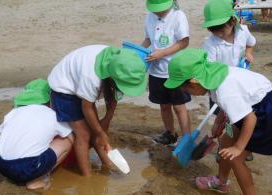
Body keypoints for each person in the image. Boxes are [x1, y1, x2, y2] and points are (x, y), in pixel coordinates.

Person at [164, 48, 272, 195]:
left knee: (236, 157)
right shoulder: (213, 75)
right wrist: (219, 122)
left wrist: (239, 148)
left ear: (194, 81)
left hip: (264, 110)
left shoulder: (225, 90)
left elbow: (250, 119)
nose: (184, 92)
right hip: (253, 103)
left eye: (184, 89)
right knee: (226, 141)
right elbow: (226, 105)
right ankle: (221, 182)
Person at [48, 45, 147, 176]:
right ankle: (87, 176)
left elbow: (112, 101)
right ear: (112, 78)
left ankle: (108, 164)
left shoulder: (123, 64)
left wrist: (104, 126)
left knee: (99, 130)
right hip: (64, 88)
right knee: (83, 133)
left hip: (83, 86)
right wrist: (100, 133)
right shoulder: (90, 77)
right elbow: (87, 107)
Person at [0, 79, 74, 190]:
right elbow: (71, 138)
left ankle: (16, 170)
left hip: (0, 163)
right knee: (66, 142)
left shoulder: (14, 112)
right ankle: (36, 180)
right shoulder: (52, 115)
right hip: (28, 166)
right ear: (50, 99)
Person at [203, 0, 256, 161]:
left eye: (220, 29)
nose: (218, 33)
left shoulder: (243, 31)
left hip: (241, 85)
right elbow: (210, 68)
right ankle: (223, 146)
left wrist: (248, 53)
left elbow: (251, 43)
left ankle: (243, 147)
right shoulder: (210, 43)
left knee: (240, 118)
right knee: (221, 119)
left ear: (233, 21)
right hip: (221, 88)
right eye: (213, 30)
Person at [141, 0, 191, 146]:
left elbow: (184, 42)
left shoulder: (178, 16)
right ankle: (170, 133)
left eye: (160, 9)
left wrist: (162, 53)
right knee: (164, 105)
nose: (157, 12)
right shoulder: (150, 17)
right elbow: (148, 39)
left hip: (174, 70)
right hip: (156, 70)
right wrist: (137, 51)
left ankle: (187, 138)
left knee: (179, 106)